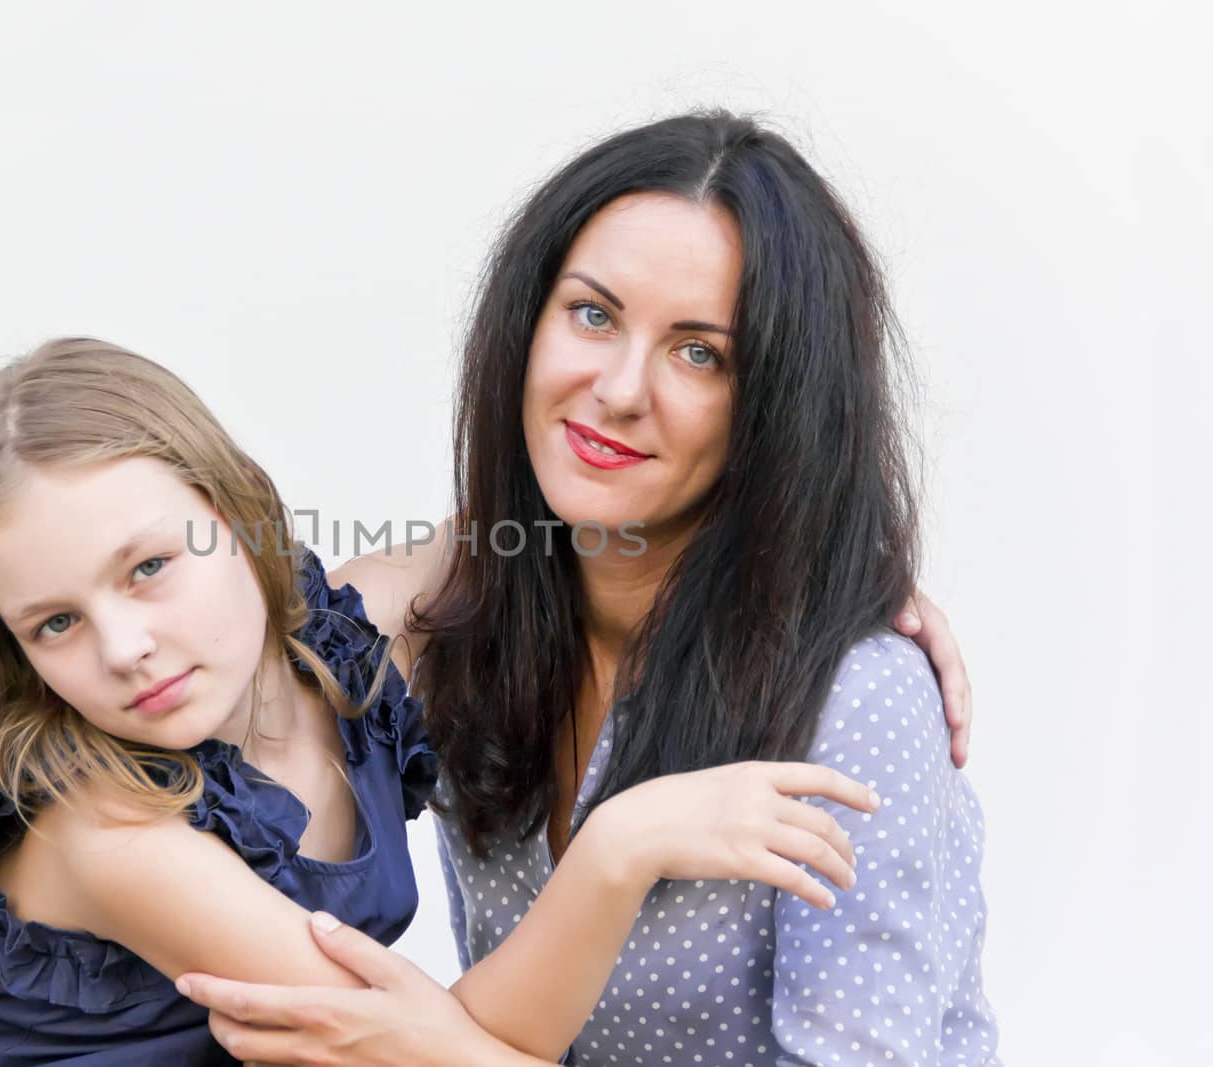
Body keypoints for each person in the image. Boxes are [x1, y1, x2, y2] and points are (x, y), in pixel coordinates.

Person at [176, 110, 998, 1065]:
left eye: (700, 352)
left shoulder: (855, 698)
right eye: (593, 313)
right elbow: (250, 657)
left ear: (779, 406)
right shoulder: (462, 628)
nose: (617, 388)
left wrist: (446, 1051)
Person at [0, 339, 902, 1067]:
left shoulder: (342, 640)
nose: (124, 647)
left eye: (145, 567)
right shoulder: (108, 828)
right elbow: (417, 1052)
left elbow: (566, 520)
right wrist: (616, 845)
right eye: (54, 623)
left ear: (227, 513)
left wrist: (841, 579)